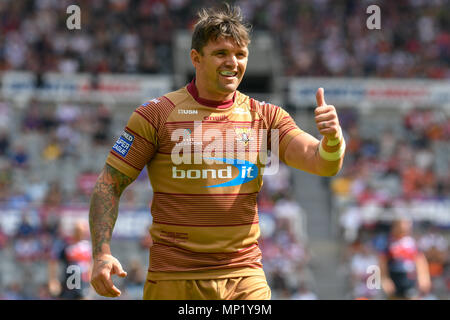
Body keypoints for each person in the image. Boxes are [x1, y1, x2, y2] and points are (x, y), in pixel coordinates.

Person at [89, 4, 345, 300]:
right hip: (174, 278)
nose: (233, 62)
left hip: (244, 278)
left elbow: (322, 163)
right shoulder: (157, 115)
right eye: (221, 53)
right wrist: (101, 253)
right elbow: (109, 184)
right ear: (195, 58)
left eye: (240, 54)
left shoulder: (265, 116)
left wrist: (333, 140)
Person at [378, 218, 431, 299]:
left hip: (409, 278)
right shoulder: (388, 242)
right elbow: (382, 262)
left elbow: (420, 261)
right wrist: (385, 279)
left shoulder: (412, 242)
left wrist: (424, 278)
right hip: (394, 278)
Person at [48, 219, 92, 300]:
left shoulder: (87, 246)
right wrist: (53, 280)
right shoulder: (66, 245)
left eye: (83, 231)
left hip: (83, 281)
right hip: (68, 281)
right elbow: (54, 262)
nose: (81, 233)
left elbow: (89, 264)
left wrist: (91, 281)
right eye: (78, 230)